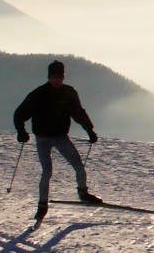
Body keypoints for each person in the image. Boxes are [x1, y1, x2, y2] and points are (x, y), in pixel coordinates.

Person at [13, 60, 102, 220]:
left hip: (61, 137)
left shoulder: (69, 93)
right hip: (43, 139)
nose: (58, 80)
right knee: (47, 172)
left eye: (60, 77)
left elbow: (78, 113)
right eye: (55, 77)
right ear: (49, 76)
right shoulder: (38, 94)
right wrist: (21, 131)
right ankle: (42, 205)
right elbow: (20, 113)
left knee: (79, 167)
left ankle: (83, 193)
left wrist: (90, 130)